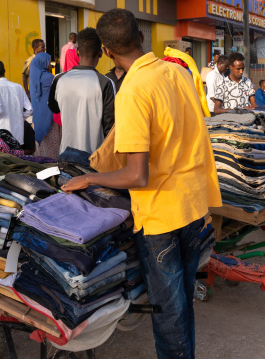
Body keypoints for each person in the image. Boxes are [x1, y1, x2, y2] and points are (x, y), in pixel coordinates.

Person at [63, 9, 221, 359]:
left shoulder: (133, 90)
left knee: (169, 313)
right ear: (142, 37)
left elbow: (137, 175)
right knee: (181, 303)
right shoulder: (178, 73)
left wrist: (89, 177)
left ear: (106, 51)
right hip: (193, 206)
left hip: (161, 217)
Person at [48, 27, 115, 154]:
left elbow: (54, 108)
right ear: (100, 53)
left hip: (66, 157)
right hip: (95, 159)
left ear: (77, 51)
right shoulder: (105, 83)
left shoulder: (59, 79)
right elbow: (110, 127)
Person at [0, 61, 32, 145]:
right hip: (17, 135)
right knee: (16, 157)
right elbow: (29, 109)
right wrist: (18, 119)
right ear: (4, 71)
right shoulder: (18, 87)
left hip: (0, 135)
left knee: (3, 158)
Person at [29, 52, 61, 158]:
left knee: (41, 147)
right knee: (53, 144)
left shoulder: (34, 78)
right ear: (42, 62)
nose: (50, 65)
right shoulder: (48, 77)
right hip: (50, 116)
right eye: (48, 61)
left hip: (38, 117)